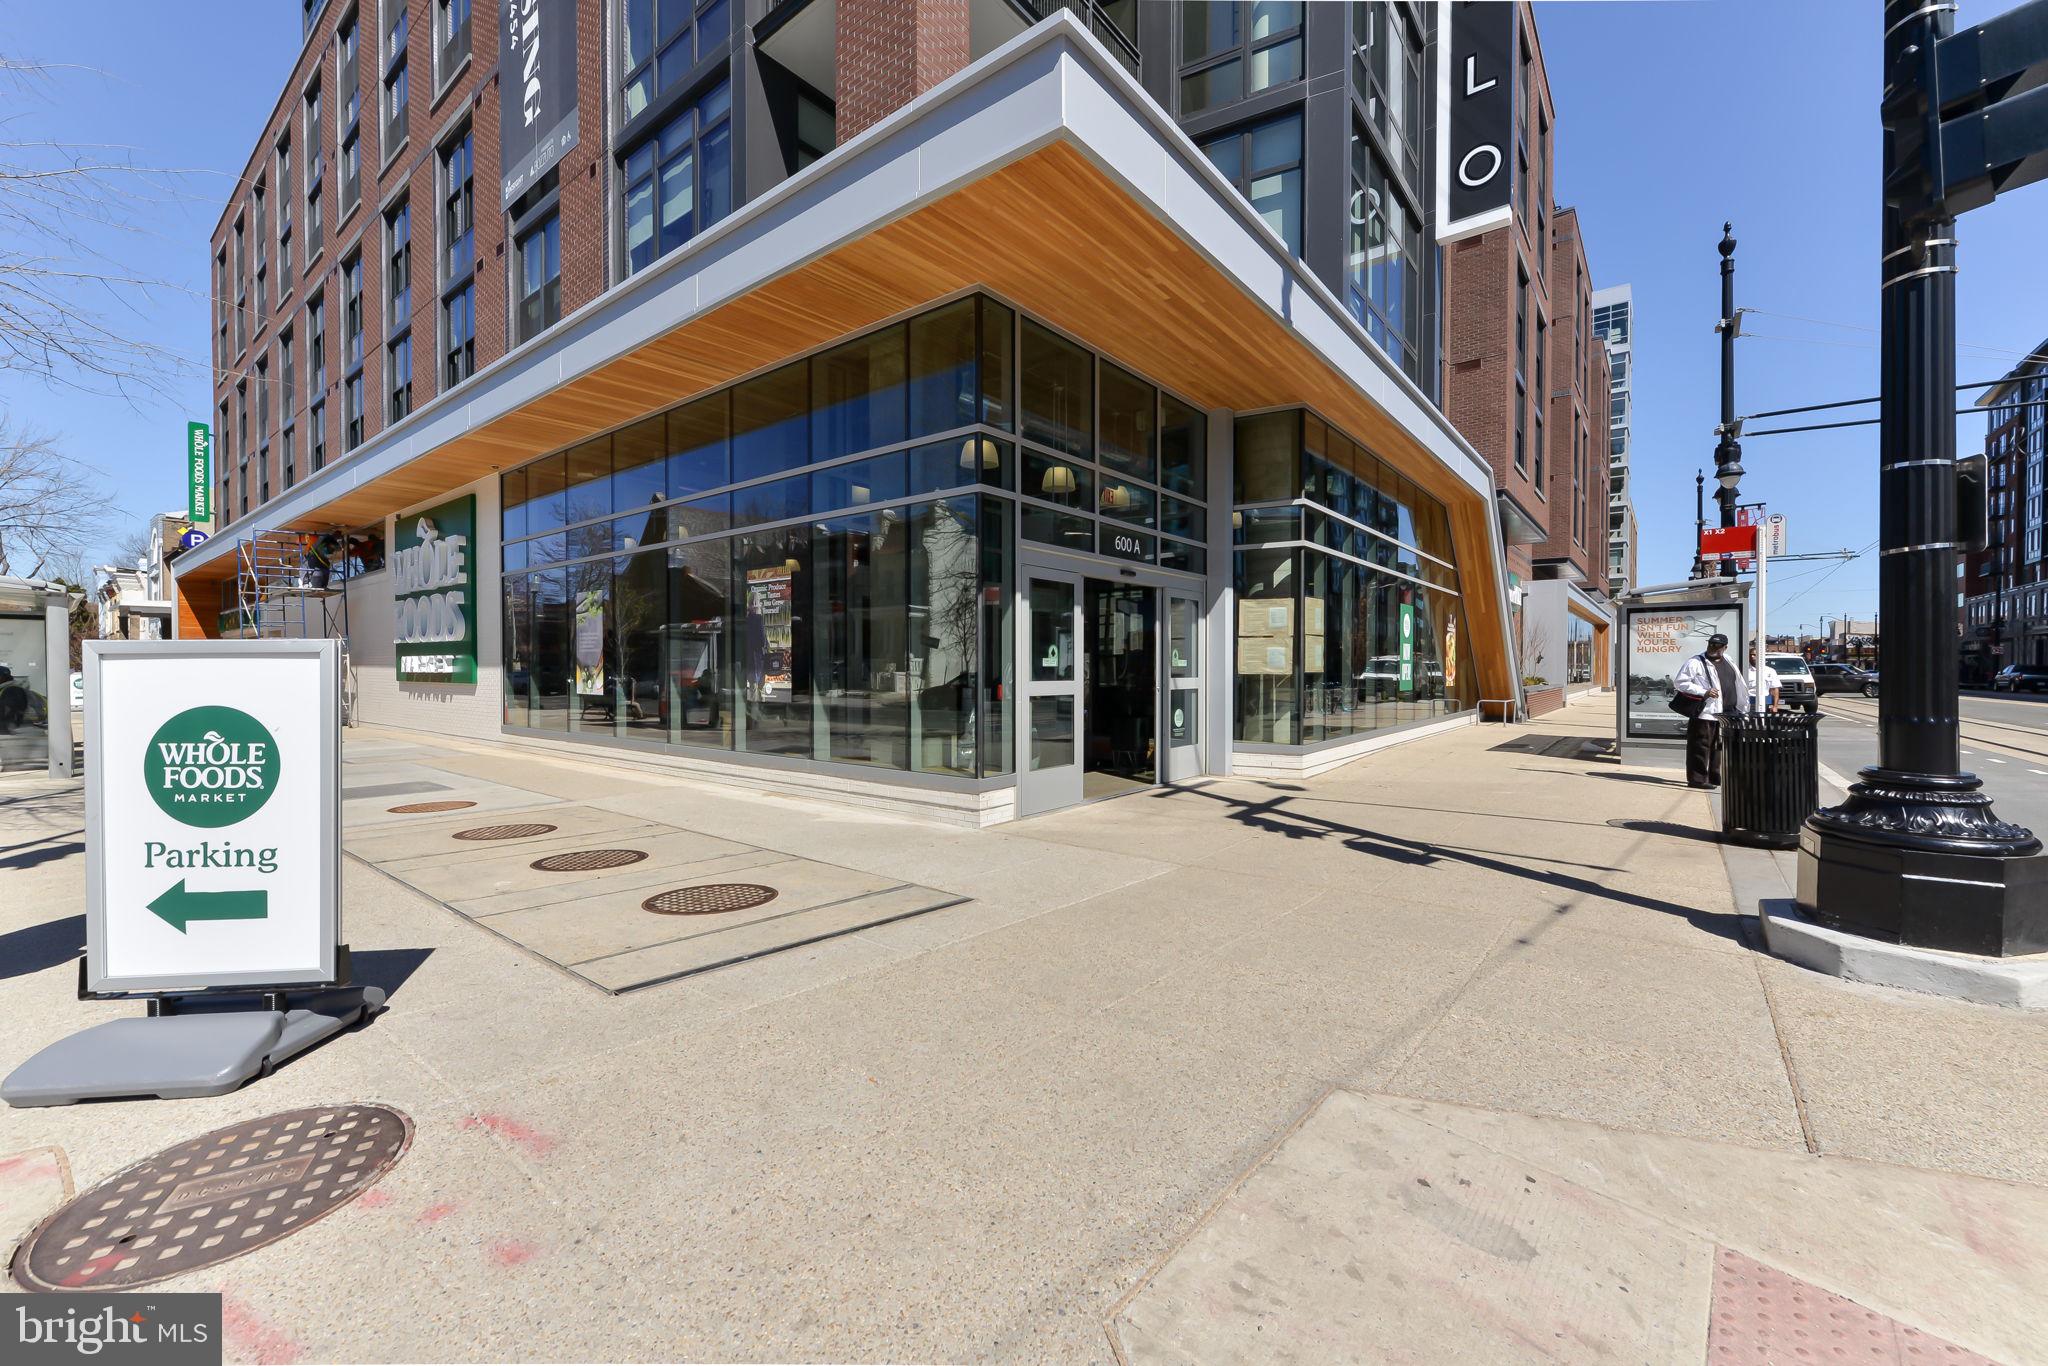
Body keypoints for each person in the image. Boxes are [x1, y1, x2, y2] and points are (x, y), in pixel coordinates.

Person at [1673, 633, 1750, 788]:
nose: (1713, 648)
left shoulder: (1728, 660)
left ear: (1725, 647)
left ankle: (1714, 778)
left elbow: (1737, 683)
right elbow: (1680, 682)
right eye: (1711, 645)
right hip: (1706, 713)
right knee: (1700, 746)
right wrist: (1704, 691)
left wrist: (1742, 707)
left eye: (1717, 646)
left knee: (1719, 747)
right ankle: (1697, 779)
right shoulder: (1696, 662)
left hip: (1727, 712)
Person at [1748, 641, 1782, 713]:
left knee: (1763, 723)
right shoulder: (1745, 671)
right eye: (1750, 655)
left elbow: (1775, 690)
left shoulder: (1770, 671)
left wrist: (1775, 706)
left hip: (1765, 702)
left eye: (1754, 655)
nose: (1752, 657)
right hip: (1749, 703)